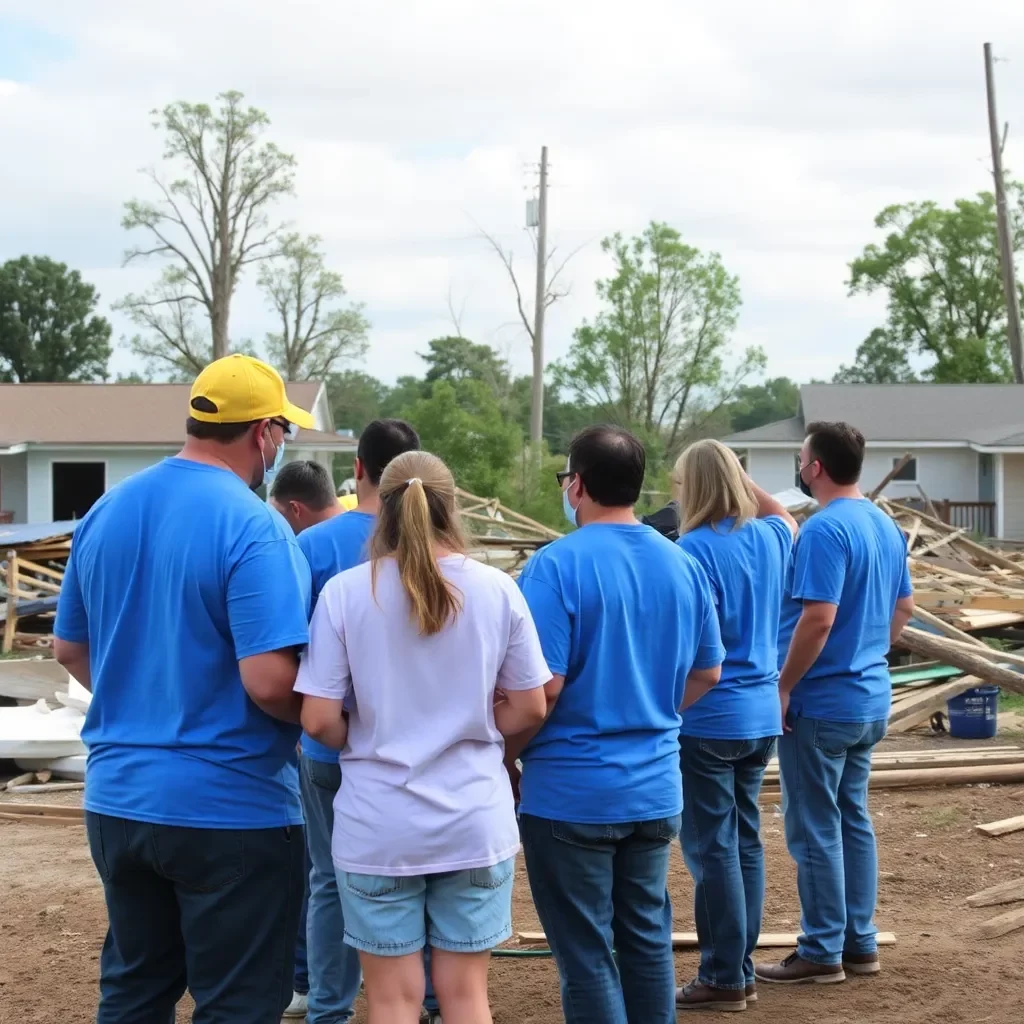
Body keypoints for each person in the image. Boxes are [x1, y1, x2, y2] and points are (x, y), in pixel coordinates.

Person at [53, 354, 314, 1024]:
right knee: (238, 1002)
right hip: (231, 807)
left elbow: (70, 648)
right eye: (283, 431)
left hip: (118, 800)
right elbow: (267, 681)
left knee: (136, 990)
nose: (282, 447)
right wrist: (333, 714)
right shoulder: (255, 526)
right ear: (262, 432)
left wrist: (141, 696)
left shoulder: (106, 513)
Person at [296, 450, 550, 1024]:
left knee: (392, 1001)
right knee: (466, 998)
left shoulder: (343, 592)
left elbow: (316, 721)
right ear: (452, 506)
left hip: (378, 828)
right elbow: (531, 705)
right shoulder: (497, 589)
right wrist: (485, 731)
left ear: (380, 509)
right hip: (473, 820)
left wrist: (357, 731)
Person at [509, 425, 726, 1024]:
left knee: (585, 954)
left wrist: (506, 753)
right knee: (647, 941)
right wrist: (652, 710)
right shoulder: (681, 563)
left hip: (572, 792)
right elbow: (708, 671)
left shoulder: (555, 567)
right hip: (655, 787)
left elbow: (544, 688)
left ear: (576, 485)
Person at [756, 421, 915, 986]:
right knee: (853, 820)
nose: (799, 466)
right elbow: (903, 608)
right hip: (868, 698)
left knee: (815, 825)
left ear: (815, 467)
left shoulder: (824, 531)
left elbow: (817, 618)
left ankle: (822, 950)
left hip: (822, 703)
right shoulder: (883, 524)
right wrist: (869, 651)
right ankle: (859, 941)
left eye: (801, 458)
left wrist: (782, 685)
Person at [290, 419, 437, 1024]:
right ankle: (430, 997)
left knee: (328, 879)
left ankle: (328, 1006)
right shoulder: (442, 550)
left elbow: (286, 643)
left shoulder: (313, 546)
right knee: (429, 876)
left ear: (358, 469)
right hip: (426, 746)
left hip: (330, 741)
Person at [672, 439, 797, 1011]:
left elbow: (689, 645)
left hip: (710, 714)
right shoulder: (770, 539)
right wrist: (739, 479)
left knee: (711, 848)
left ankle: (724, 975)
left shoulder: (690, 550)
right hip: (761, 713)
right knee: (745, 840)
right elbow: (786, 516)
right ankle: (738, 966)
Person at [271, 459, 343, 536]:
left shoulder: (307, 544)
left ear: (295, 509)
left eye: (279, 514)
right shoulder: (353, 531)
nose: (277, 523)